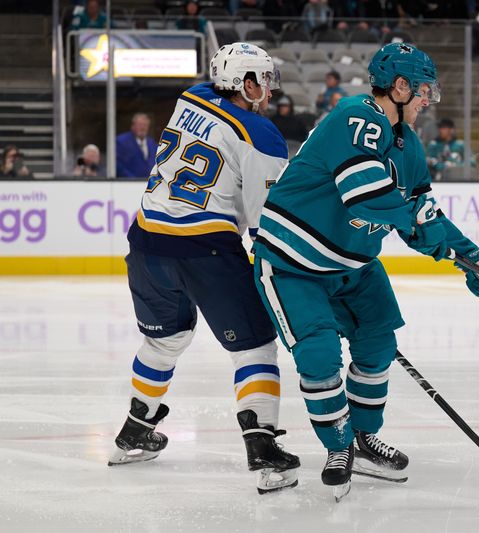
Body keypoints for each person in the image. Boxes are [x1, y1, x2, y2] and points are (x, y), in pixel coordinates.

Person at [251, 42, 479, 501]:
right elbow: (367, 195)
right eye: (423, 91)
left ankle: (362, 438)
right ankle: (338, 447)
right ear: (399, 86)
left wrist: (474, 260)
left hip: (354, 266)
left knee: (378, 348)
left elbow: (420, 214)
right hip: (293, 263)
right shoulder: (354, 117)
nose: (428, 101)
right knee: (318, 356)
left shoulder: (407, 146)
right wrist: (423, 228)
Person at [109, 43, 301, 495]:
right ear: (245, 83)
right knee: (254, 346)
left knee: (163, 339)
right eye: (263, 79)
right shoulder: (264, 133)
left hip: (146, 242)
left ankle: (136, 428)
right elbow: (263, 219)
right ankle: (262, 447)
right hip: (206, 249)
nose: (269, 88)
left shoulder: (190, 97)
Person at [116, 113, 158, 179]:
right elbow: (119, 165)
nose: (143, 127)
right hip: (129, 184)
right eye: (140, 125)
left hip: (149, 184)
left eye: (145, 125)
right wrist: (133, 180)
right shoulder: (121, 141)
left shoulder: (152, 143)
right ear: (132, 126)